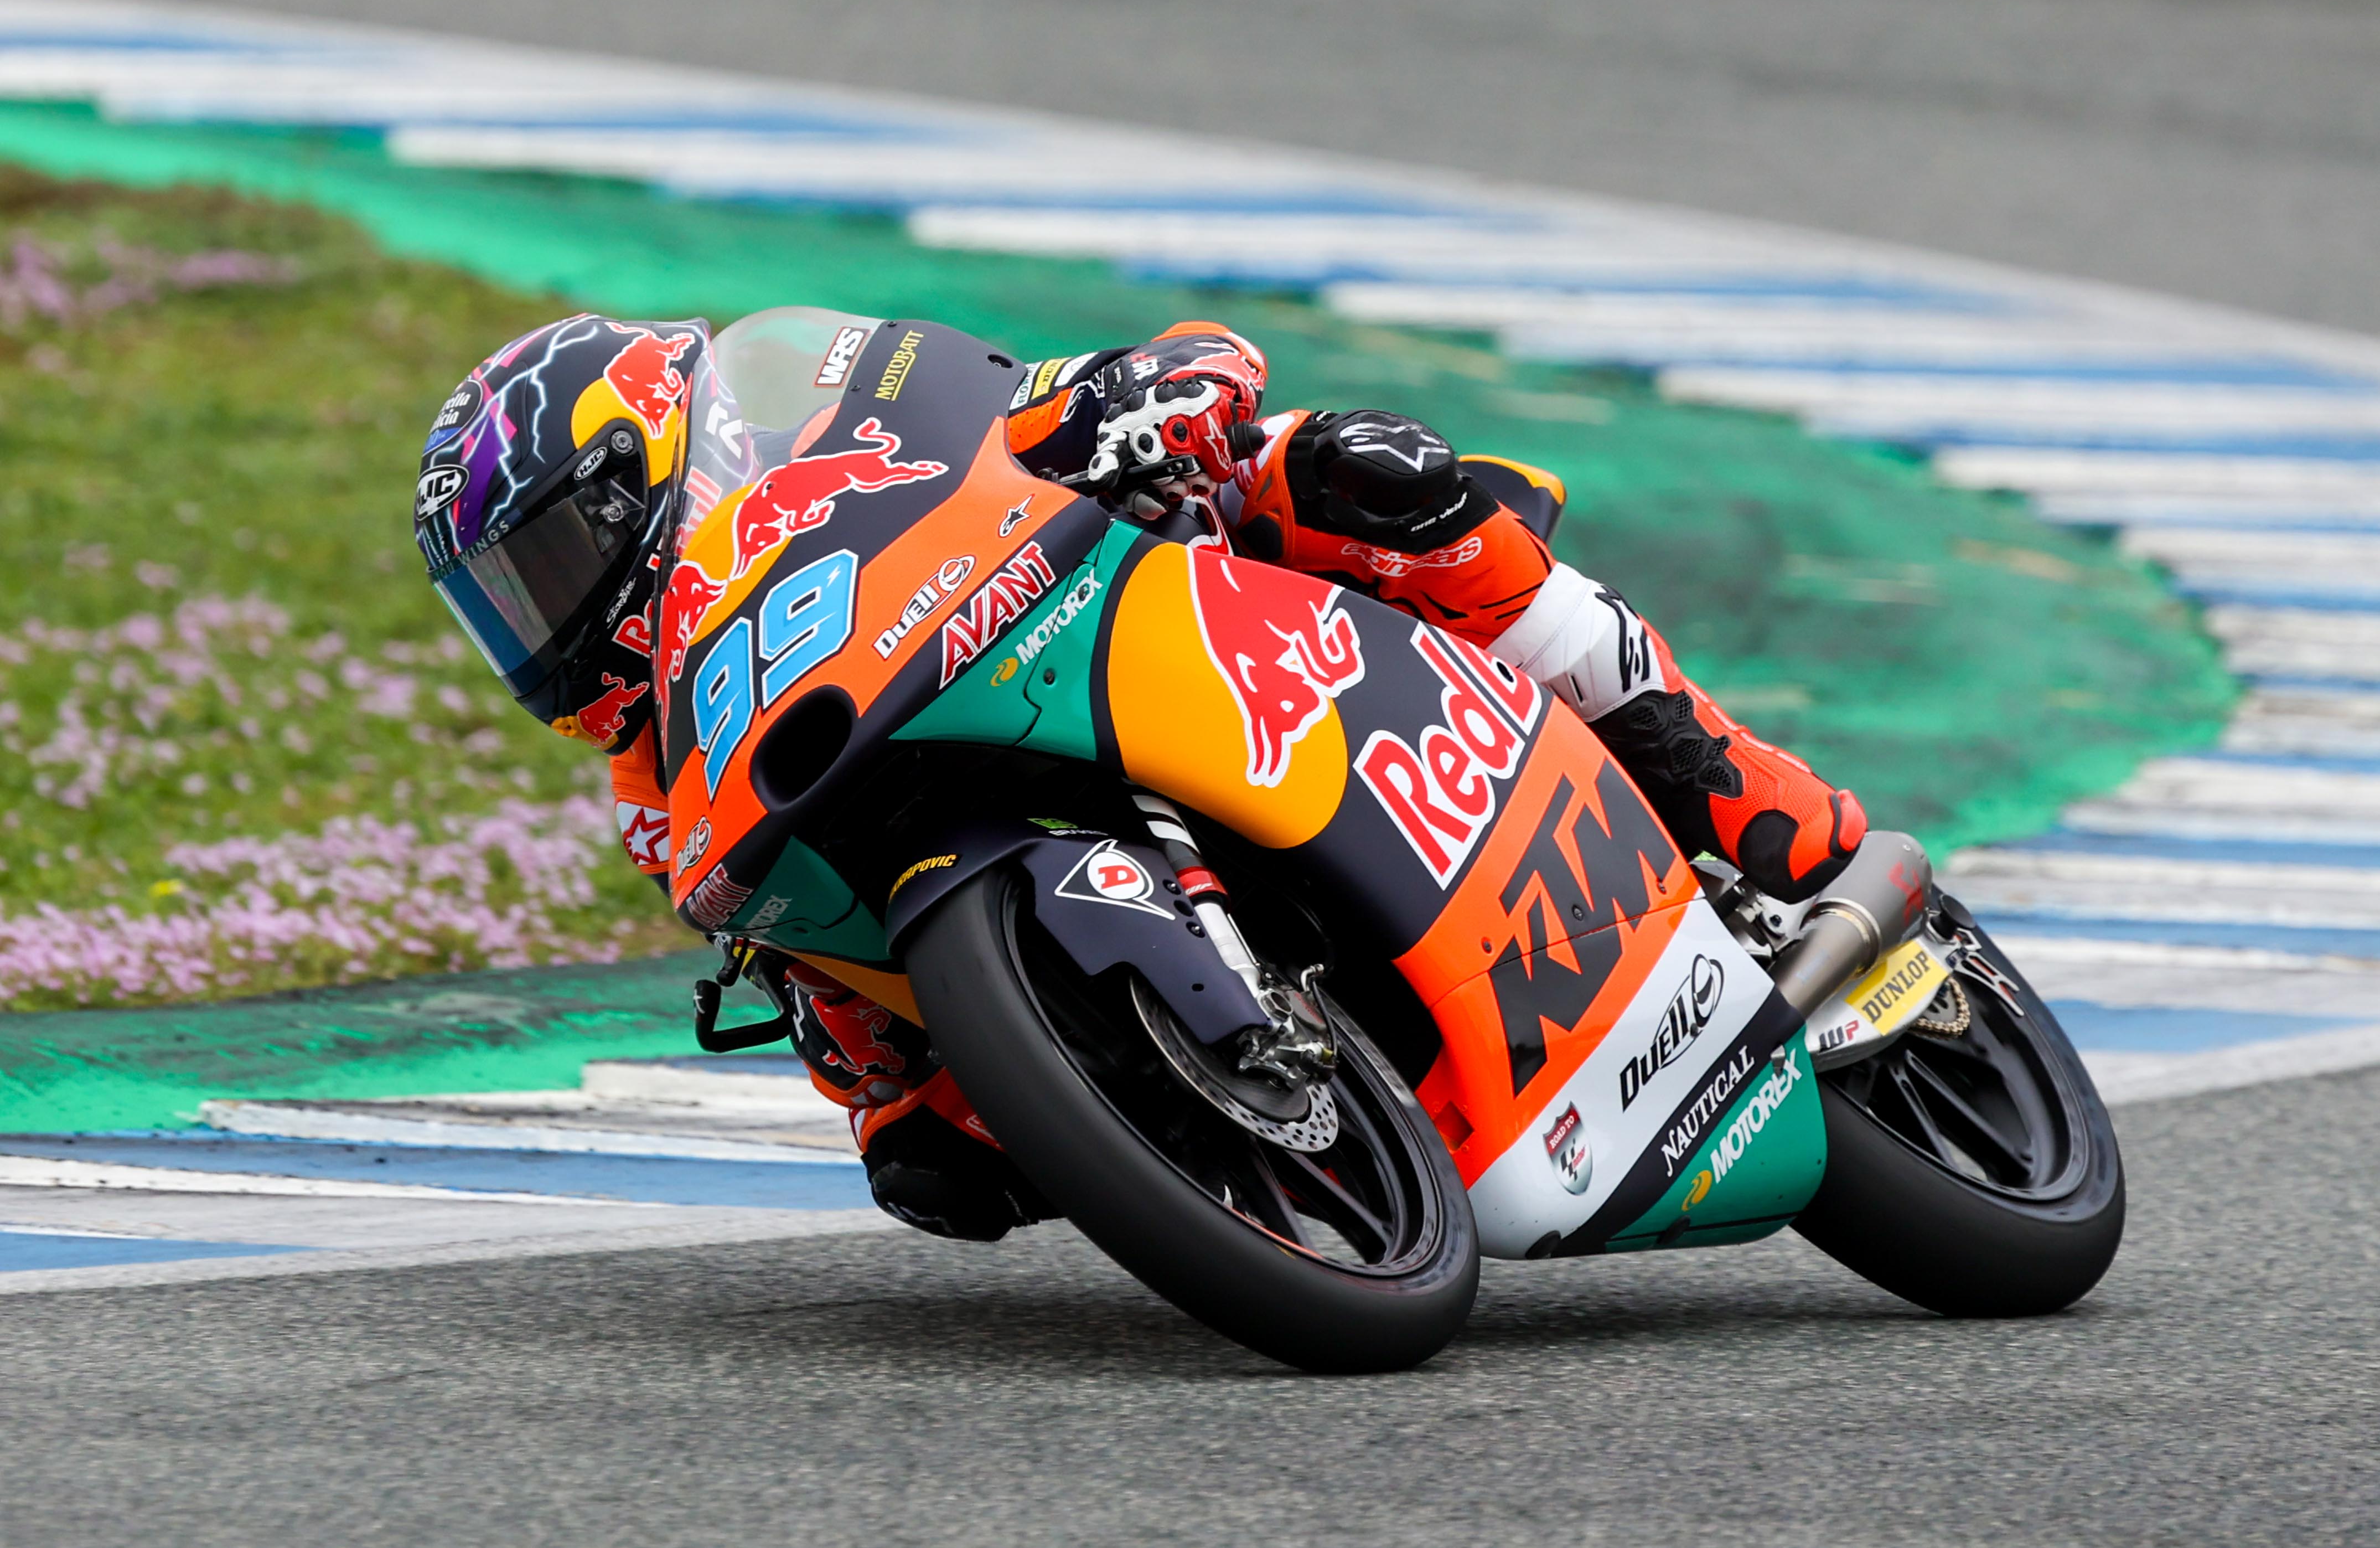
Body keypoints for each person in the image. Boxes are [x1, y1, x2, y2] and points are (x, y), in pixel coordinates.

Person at [414, 313, 1869, 1243]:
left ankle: (1714, 773)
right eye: (504, 600)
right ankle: (1215, 1089)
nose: (538, 620)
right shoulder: (661, 772)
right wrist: (873, 1070)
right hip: (969, 826)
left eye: (544, 561)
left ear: (664, 465)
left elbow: (1055, 388)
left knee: (1362, 466)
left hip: (1167, 616)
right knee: (928, 1162)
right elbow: (802, 970)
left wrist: (1140, 399)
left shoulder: (835, 412)